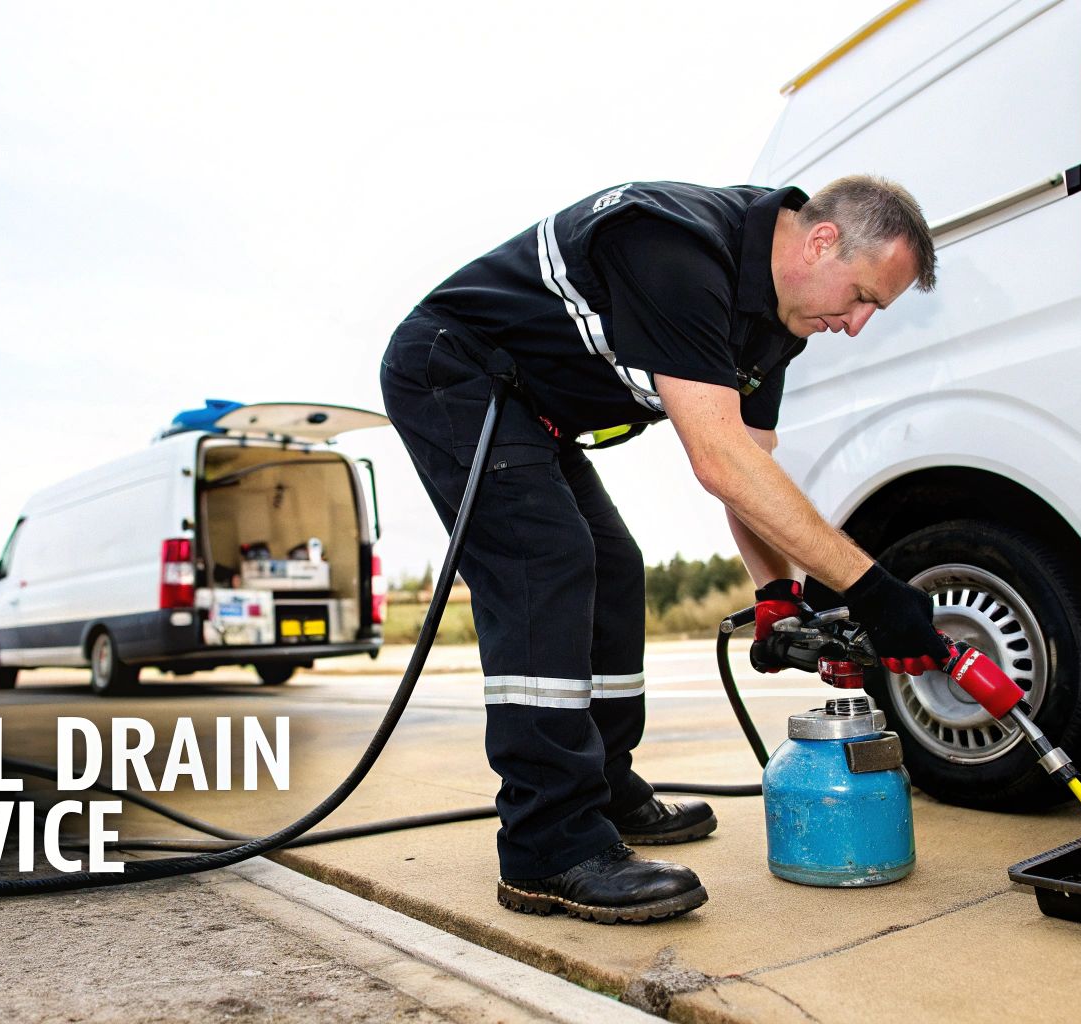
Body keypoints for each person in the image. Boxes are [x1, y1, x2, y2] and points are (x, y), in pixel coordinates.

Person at [378, 175, 947, 923]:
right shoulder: (673, 246)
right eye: (866, 295)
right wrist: (873, 588)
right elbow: (718, 458)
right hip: (454, 370)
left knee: (614, 569)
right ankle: (548, 846)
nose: (859, 323)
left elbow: (752, 470)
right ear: (821, 240)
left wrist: (776, 595)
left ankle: (606, 792)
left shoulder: (778, 323)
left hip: (535, 405)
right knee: (540, 561)